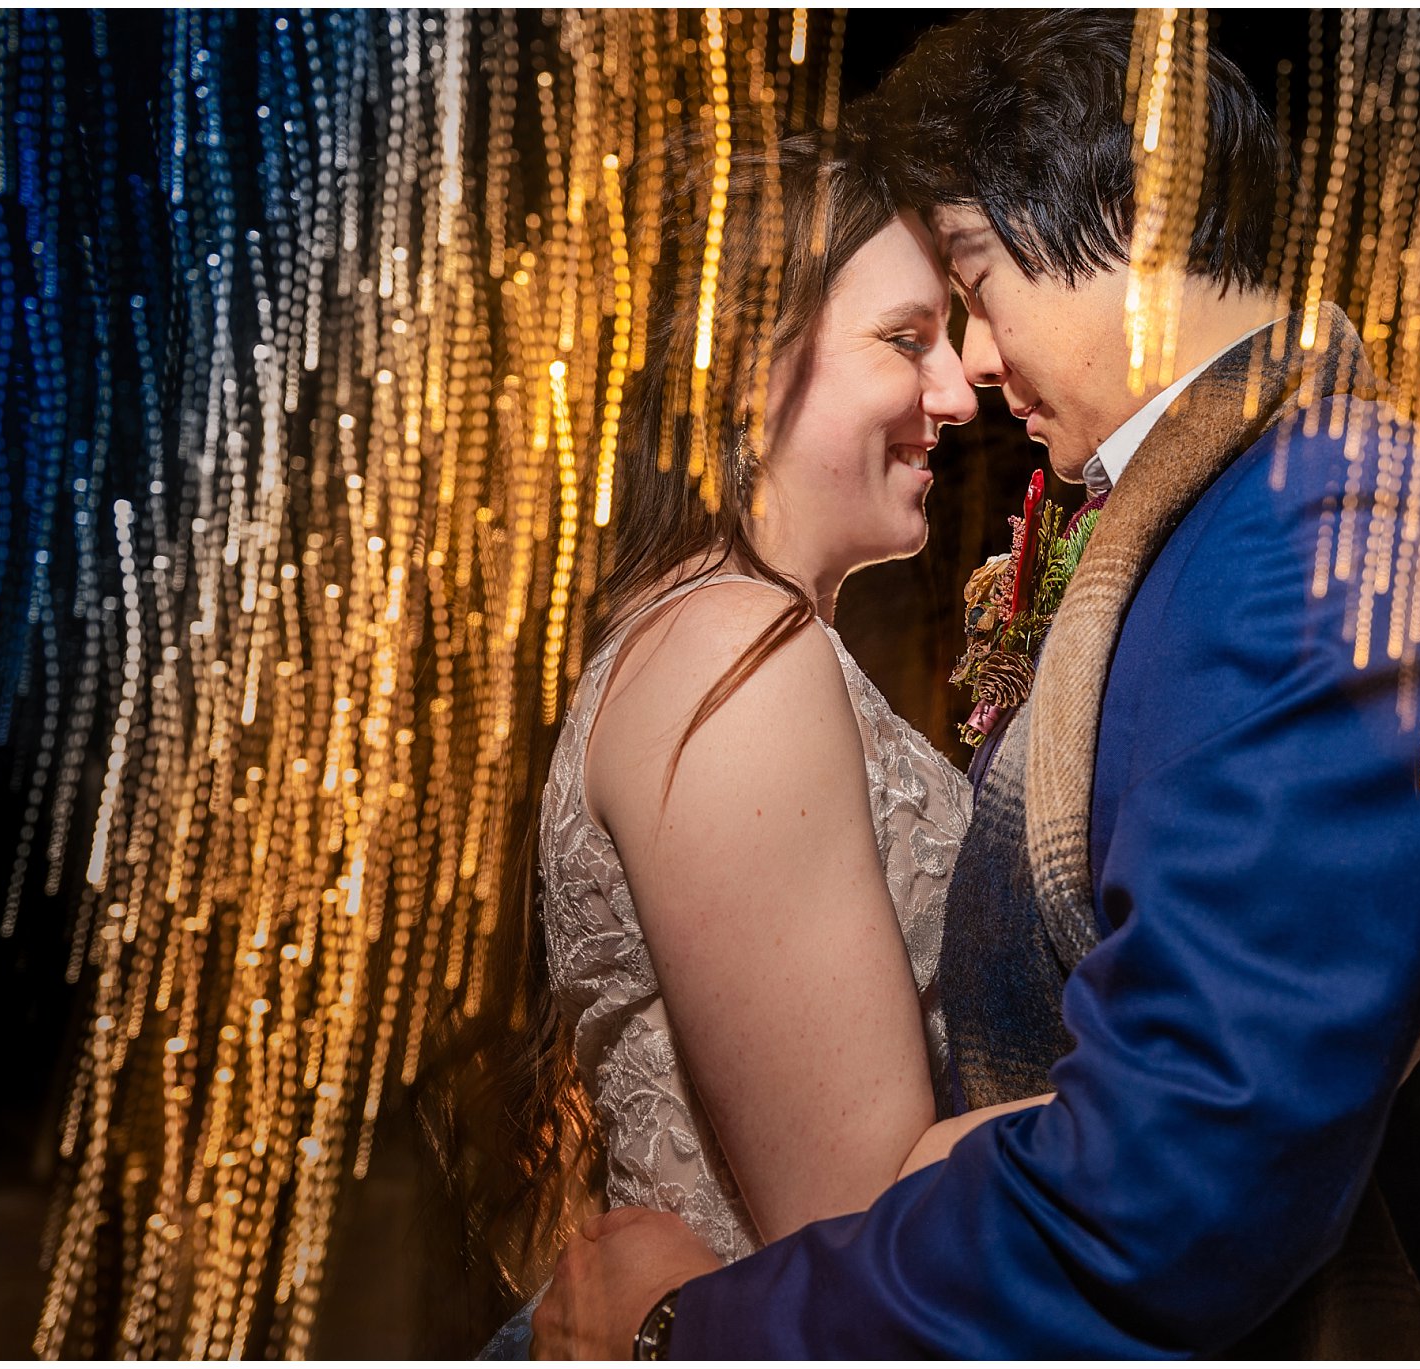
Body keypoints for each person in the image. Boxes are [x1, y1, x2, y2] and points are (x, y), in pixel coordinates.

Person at [533, 10, 1420, 1359]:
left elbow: (1187, 1174)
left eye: (970, 286)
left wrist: (690, 1334)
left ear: (1121, 225)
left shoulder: (1319, 523)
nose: (972, 377)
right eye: (914, 331)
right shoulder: (1211, 530)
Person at [430, 127, 1049, 1357]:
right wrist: (1220, 1087)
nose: (952, 391)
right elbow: (857, 1227)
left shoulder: (721, 635)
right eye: (904, 340)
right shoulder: (731, 652)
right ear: (738, 365)